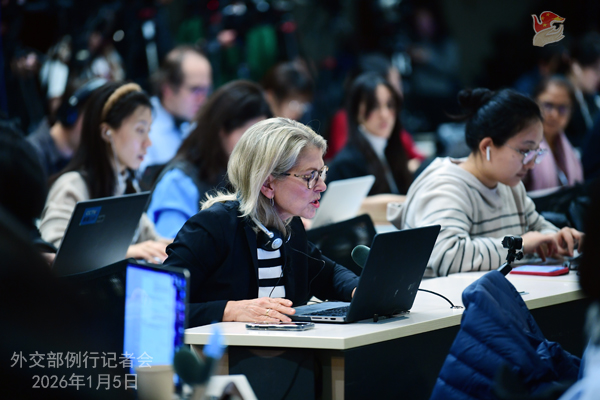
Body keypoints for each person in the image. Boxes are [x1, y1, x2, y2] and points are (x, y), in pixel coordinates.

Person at [163, 118, 359, 327]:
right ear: (267, 184)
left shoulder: (289, 227)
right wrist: (228, 310)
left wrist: (360, 290)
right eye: (310, 176)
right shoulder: (211, 227)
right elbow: (156, 305)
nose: (321, 186)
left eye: (321, 173)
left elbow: (328, 275)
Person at [389, 88, 583, 277]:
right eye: (525, 151)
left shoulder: (510, 185)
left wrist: (555, 239)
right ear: (487, 147)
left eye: (536, 152)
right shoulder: (445, 187)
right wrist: (521, 245)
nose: (532, 163)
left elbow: (537, 228)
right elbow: (447, 255)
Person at [40, 81, 170, 263]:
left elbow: (153, 242)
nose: (148, 143)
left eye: (148, 131)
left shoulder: (127, 188)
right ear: (106, 132)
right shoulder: (72, 186)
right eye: (140, 130)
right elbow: (53, 255)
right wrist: (126, 253)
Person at [146, 80, 272, 238]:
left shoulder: (245, 177)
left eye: (262, 140)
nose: (256, 148)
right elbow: (167, 247)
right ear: (222, 131)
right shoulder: (179, 181)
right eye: (248, 136)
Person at [327, 72, 412, 223]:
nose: (385, 114)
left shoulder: (392, 150)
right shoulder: (347, 163)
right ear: (357, 111)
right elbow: (357, 209)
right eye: (374, 106)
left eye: (390, 105)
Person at [325, 53, 425, 171]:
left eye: (389, 105)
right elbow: (349, 167)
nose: (384, 114)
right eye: (395, 83)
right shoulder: (343, 121)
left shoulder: (389, 126)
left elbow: (415, 154)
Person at [140, 45, 213, 173]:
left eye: (206, 90)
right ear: (167, 89)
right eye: (195, 90)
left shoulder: (202, 124)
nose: (202, 99)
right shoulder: (141, 126)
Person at [27, 78, 106, 178]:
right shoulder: (31, 156)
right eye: (92, 119)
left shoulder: (84, 159)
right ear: (71, 115)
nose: (95, 129)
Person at [524, 76, 583, 191]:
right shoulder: (522, 147)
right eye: (548, 105)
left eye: (562, 108)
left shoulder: (571, 152)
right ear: (534, 104)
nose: (554, 115)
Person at [565, 32, 600, 148]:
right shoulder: (561, 98)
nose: (598, 77)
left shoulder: (591, 98)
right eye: (595, 69)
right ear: (576, 67)